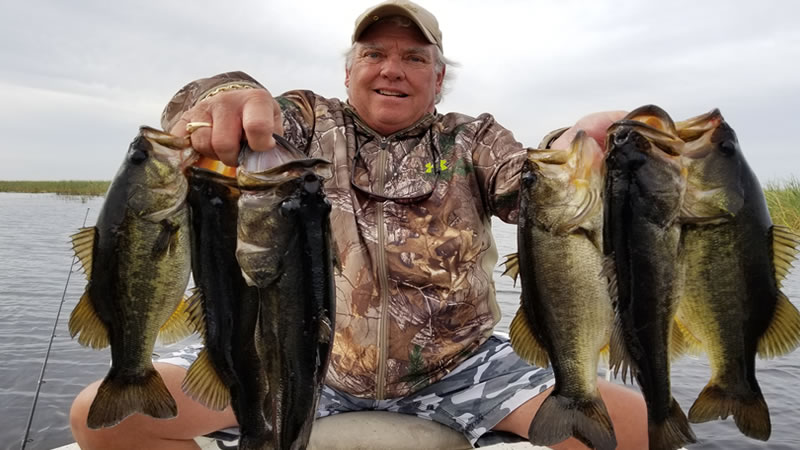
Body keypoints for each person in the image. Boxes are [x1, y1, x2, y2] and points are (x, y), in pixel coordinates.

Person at [70, 1, 647, 449]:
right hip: (301, 356)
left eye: (415, 58)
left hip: (462, 365)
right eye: (374, 54)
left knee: (636, 426)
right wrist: (225, 95)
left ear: (439, 78)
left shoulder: (473, 138)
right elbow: (214, 112)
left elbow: (537, 192)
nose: (392, 70)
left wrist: (587, 146)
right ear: (349, 73)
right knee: (99, 418)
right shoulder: (303, 120)